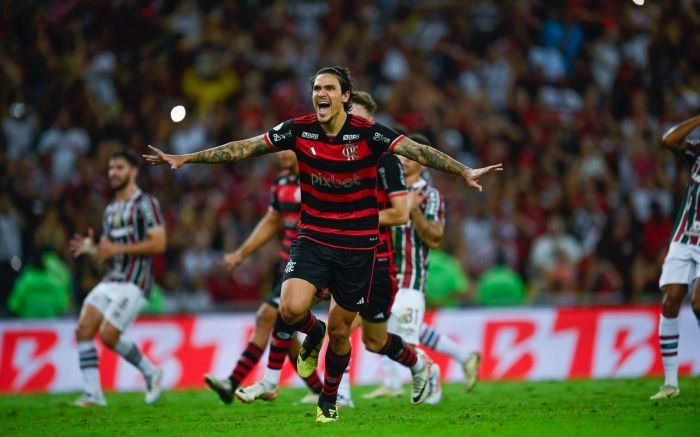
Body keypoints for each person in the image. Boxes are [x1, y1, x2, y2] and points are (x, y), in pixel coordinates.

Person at [144, 66, 502, 422]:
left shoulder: (370, 135)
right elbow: (244, 148)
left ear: (345, 96)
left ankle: (328, 401)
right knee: (289, 309)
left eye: (329, 87)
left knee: (346, 331)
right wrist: (188, 158)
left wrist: (463, 170)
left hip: (358, 248)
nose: (320, 94)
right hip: (313, 238)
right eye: (316, 88)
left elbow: (418, 152)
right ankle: (310, 340)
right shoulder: (299, 130)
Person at [363, 133, 480, 403]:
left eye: (410, 156)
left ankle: (429, 378)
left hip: (410, 279)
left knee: (401, 339)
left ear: (423, 164)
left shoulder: (430, 196)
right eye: (400, 155)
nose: (403, 160)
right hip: (382, 273)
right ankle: (458, 358)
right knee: (382, 334)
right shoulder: (388, 190)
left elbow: (436, 238)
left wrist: (411, 210)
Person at [203, 150, 323, 404]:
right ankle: (319, 391)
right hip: (285, 265)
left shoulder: (318, 180)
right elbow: (271, 222)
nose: (280, 154)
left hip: (309, 264)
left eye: (287, 148)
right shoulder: (281, 182)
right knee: (284, 331)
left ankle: (238, 381)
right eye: (278, 149)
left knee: (269, 316)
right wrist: (240, 254)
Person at [69, 150, 166, 407]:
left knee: (109, 335)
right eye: (111, 168)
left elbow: (159, 243)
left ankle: (151, 372)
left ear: (133, 171)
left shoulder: (145, 203)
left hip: (136, 282)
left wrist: (117, 249)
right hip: (113, 279)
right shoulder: (111, 209)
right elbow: (108, 249)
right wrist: (93, 248)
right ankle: (93, 394)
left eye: (119, 167)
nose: (113, 173)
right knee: (83, 329)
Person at [650, 113, 700, 400]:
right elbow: (669, 138)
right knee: (670, 300)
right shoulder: (697, 154)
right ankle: (670, 383)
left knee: (698, 303)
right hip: (683, 239)